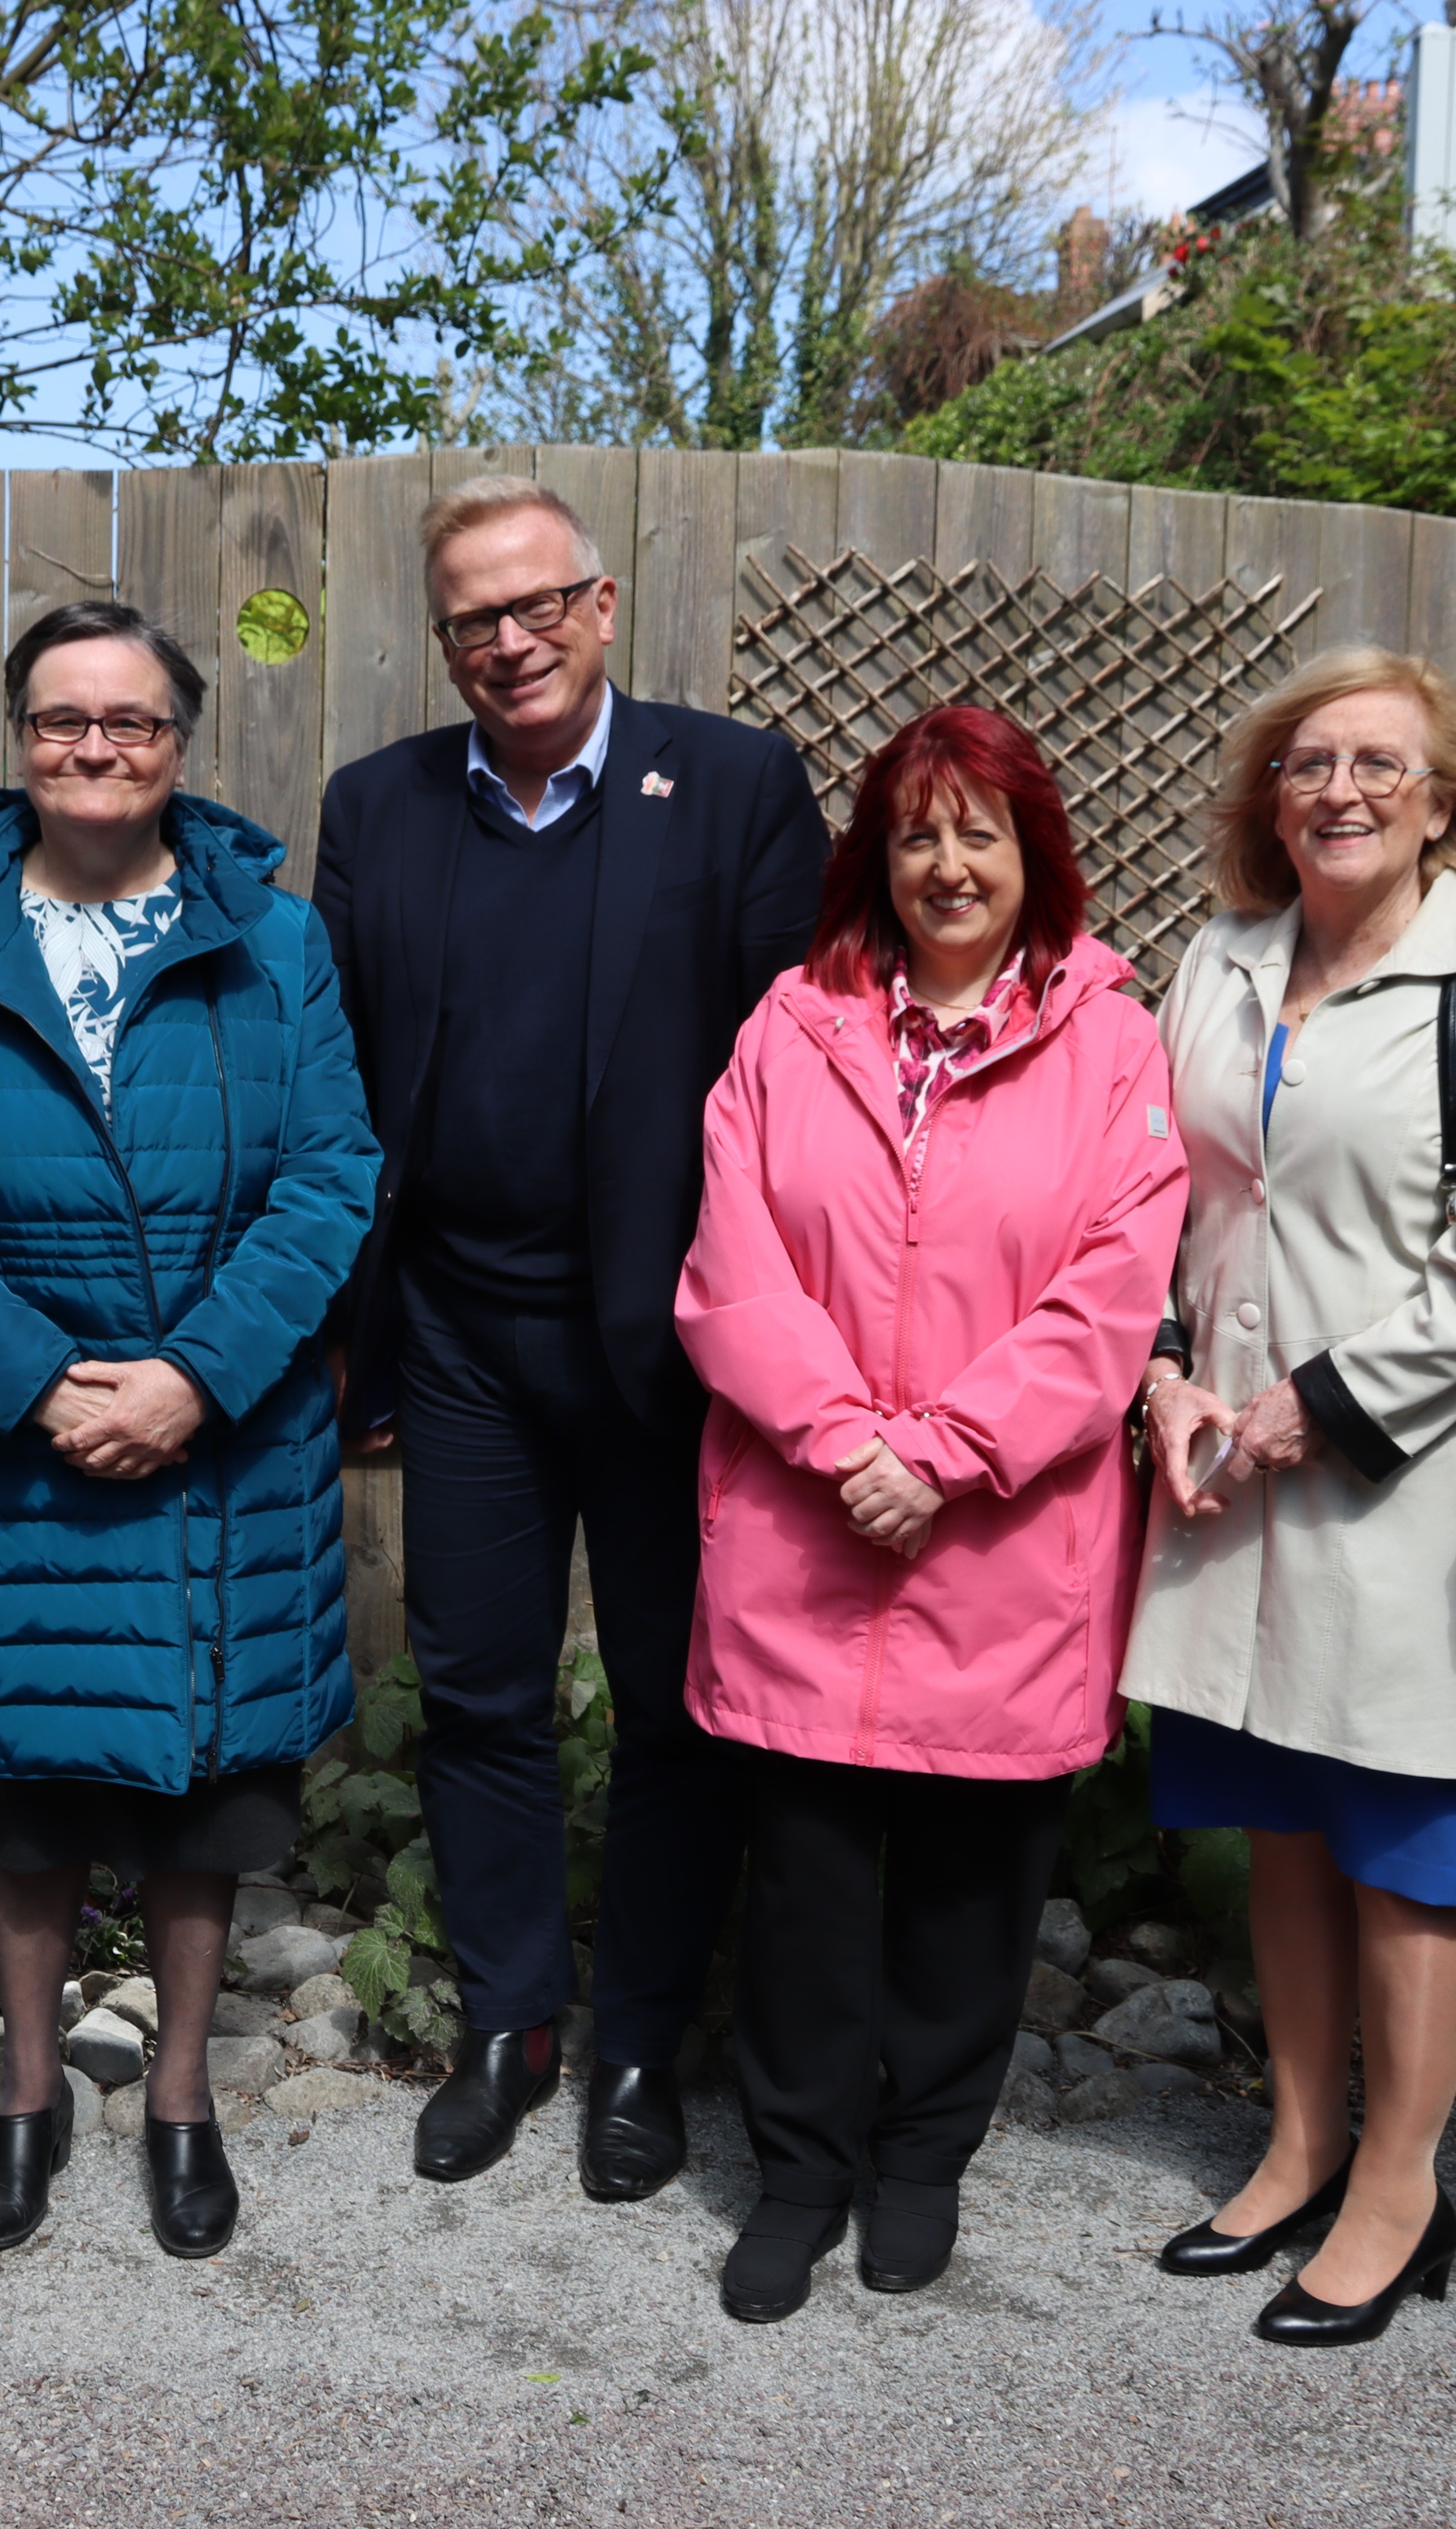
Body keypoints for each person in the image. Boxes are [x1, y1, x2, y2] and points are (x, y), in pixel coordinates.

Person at [0, 602, 376, 2256]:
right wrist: (46, 1381)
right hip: (14, 1450)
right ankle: (26, 2094)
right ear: (18, 739)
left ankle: (185, 2094)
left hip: (224, 1432)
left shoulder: (274, 941)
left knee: (212, 1791)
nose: (94, 748)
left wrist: (191, 1379)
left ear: (180, 746)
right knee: (32, 1792)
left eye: (129, 723)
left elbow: (330, 1178)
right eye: (63, 720)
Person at [313, 477, 825, 2197]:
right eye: (474, 616)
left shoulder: (737, 789)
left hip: (677, 1347)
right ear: (442, 634)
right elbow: (342, 1082)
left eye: (538, 606)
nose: (510, 640)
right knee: (477, 1694)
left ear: (603, 607)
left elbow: (797, 1084)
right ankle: (511, 2022)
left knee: (689, 1710)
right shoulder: (376, 811)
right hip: (460, 1331)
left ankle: (639, 2052)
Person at [674, 706, 1187, 2322]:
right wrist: (847, 1445)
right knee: (811, 1885)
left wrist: (951, 1452)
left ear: (1036, 852)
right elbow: (729, 1262)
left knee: (975, 1885)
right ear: (875, 863)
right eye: (916, 834)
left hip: (1005, 1532)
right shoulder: (790, 1025)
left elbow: (1118, 1289)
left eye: (981, 832)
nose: (949, 863)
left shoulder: (1110, 1040)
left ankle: (920, 2165)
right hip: (810, 1520)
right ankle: (803, 2171)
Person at [1119, 648, 1456, 2348]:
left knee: (1404, 1847)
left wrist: (1314, 1412)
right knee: (1283, 1823)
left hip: (1402, 1482)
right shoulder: (1221, 964)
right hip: (1220, 1466)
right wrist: (1169, 1380)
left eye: (1380, 765)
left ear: (1443, 800)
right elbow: (1154, 1204)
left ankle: (1402, 2181)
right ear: (1272, 798)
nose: (1340, 792)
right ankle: (1303, 2139)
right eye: (1310, 763)